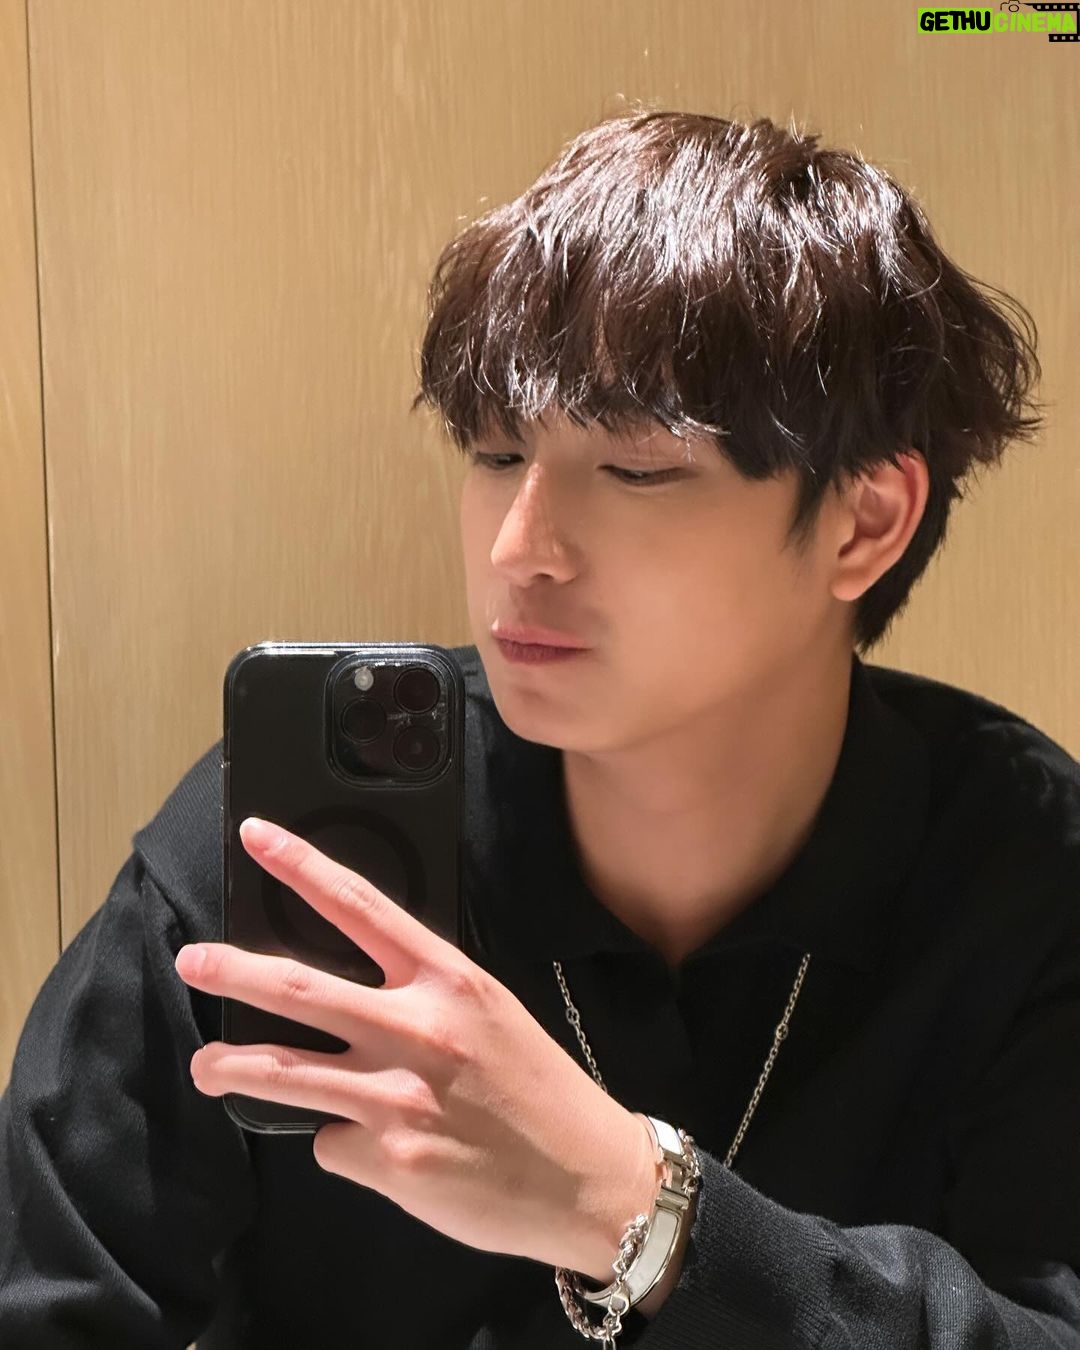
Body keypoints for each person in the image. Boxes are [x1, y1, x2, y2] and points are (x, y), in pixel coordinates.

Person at [1, 108, 1077, 1349]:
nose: (521, 550)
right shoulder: (293, 848)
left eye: (637, 467)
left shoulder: (1025, 876)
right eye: (497, 453)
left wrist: (638, 1210)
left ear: (863, 521)